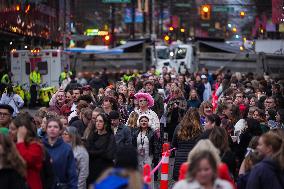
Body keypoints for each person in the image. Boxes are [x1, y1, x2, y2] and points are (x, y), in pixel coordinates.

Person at [11, 113, 44, 189]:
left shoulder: (35, 146)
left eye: (13, 129)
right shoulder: (12, 144)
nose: (10, 131)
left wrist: (20, 140)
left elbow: (26, 161)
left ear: (22, 130)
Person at [43, 117, 78, 189]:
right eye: (49, 127)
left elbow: (72, 173)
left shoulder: (66, 149)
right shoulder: (40, 146)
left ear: (60, 130)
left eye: (55, 127)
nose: (52, 129)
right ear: (46, 129)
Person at [171, 108, 203, 181]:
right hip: (194, 159)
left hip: (180, 160)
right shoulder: (200, 129)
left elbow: (173, 144)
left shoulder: (179, 127)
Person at [85, 113, 116, 184]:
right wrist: (101, 152)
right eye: (96, 121)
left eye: (100, 121)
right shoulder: (92, 135)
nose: (98, 123)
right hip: (92, 168)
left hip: (105, 170)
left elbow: (109, 155)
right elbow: (87, 151)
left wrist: (94, 153)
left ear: (105, 123)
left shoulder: (110, 137)